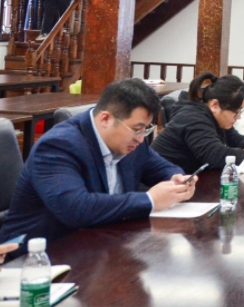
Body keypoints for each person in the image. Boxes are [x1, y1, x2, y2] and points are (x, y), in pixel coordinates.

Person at [0, 79, 196, 247]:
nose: (140, 138)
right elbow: (76, 209)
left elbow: (163, 168)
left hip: (102, 241)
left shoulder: (131, 142)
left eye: (145, 129)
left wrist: (178, 179)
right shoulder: (57, 146)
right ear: (105, 119)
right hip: (41, 252)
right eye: (137, 129)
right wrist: (150, 200)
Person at [150, 74, 244, 174]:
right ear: (215, 105)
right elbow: (215, 156)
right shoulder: (193, 118)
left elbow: (234, 138)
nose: (238, 117)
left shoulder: (214, 116)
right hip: (159, 182)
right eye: (236, 111)